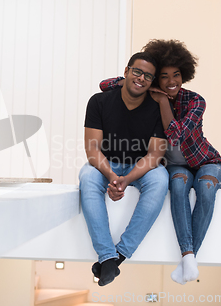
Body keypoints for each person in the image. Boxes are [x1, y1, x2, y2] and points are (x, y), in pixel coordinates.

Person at [100, 39, 221, 285]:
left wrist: (163, 102)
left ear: (185, 74)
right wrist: (140, 82)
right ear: (156, 77)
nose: (171, 82)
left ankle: (189, 258)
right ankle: (188, 259)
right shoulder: (146, 93)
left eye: (176, 75)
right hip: (177, 167)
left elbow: (176, 136)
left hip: (207, 162)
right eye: (164, 76)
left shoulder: (195, 101)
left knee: (206, 187)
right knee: (178, 186)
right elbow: (104, 85)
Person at [79, 52, 169, 286]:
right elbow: (92, 150)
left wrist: (126, 179)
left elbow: (155, 154)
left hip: (141, 167)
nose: (141, 78)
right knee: (87, 176)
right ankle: (106, 255)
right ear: (126, 71)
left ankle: (117, 256)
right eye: (137, 71)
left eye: (148, 76)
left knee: (160, 179)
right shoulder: (99, 102)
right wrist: (111, 176)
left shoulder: (156, 108)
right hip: (106, 164)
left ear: (152, 82)